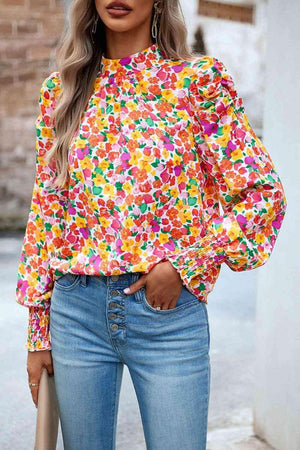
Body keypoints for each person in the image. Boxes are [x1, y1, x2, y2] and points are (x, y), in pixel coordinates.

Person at [15, 0, 287, 448]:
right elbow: (47, 213)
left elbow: (262, 195)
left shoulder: (198, 84)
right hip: (76, 315)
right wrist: (38, 333)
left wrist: (184, 265)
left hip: (167, 317)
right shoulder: (60, 91)